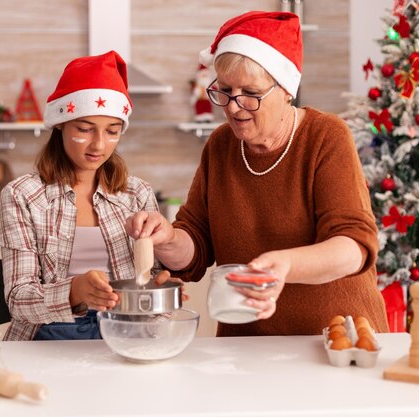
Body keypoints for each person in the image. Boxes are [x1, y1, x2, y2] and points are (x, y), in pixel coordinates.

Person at [126, 11, 389, 336]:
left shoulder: (325, 137)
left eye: (250, 94)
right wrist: (167, 239)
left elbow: (353, 247)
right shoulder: (221, 145)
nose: (234, 107)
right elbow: (195, 248)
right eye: (225, 90)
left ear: (286, 90)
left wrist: (285, 266)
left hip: (334, 340)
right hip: (247, 347)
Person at [0, 51, 161, 341]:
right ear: (60, 124)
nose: (99, 144)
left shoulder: (137, 194)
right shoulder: (23, 196)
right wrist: (74, 291)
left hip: (126, 333)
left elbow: (149, 282)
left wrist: (162, 290)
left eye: (112, 131)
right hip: (47, 336)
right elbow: (18, 299)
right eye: (85, 129)